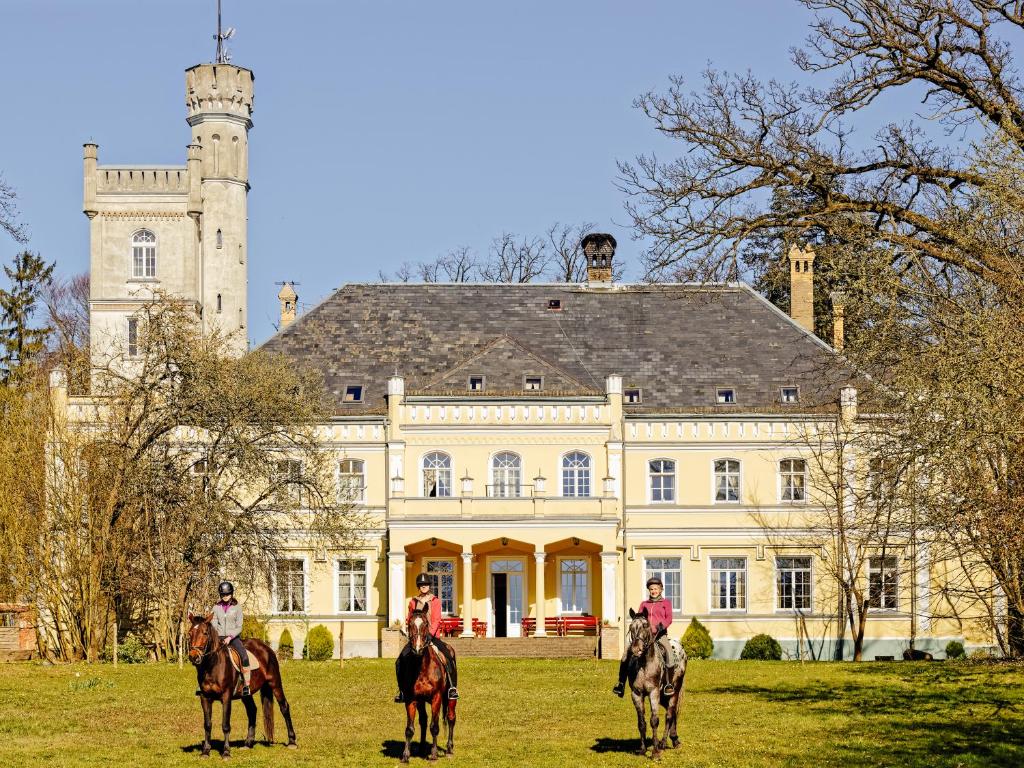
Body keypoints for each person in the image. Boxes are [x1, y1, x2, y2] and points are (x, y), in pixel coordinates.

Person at [394, 573, 459, 702]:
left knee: (447, 656)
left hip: (432, 636)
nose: (424, 586)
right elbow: (409, 619)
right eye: (422, 585)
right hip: (416, 637)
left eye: (426, 584)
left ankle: (452, 688)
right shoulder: (413, 602)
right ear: (419, 586)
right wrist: (413, 633)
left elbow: (436, 620)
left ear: (429, 586)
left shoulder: (435, 601)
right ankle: (402, 691)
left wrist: (429, 634)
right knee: (400, 660)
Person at [613, 576, 675, 697]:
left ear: (661, 589)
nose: (653, 591)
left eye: (656, 588)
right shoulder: (644, 604)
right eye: (651, 589)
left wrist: (661, 626)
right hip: (642, 636)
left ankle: (668, 684)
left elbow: (669, 618)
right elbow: (639, 618)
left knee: (669, 654)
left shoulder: (666, 603)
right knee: (626, 654)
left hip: (659, 635)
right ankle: (621, 684)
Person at [211, 581, 252, 697]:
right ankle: (203, 684)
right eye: (223, 594)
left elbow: (239, 626)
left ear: (231, 594)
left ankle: (246, 684)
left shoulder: (237, 607)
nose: (225, 596)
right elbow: (213, 624)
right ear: (220, 595)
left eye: (227, 594)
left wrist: (230, 637)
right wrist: (217, 637)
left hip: (233, 638)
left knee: (244, 656)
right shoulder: (215, 607)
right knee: (207, 656)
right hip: (218, 638)